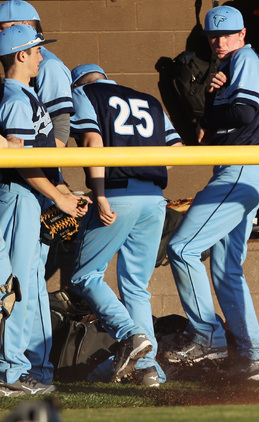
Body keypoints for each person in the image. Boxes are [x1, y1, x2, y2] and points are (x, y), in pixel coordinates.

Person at [165, 5, 259, 380]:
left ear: (243, 35)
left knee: (182, 248)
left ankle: (208, 336)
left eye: (228, 34)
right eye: (215, 36)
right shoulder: (224, 70)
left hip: (241, 170)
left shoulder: (245, 58)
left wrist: (209, 113)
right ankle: (254, 355)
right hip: (240, 170)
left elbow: (243, 113)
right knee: (227, 270)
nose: (221, 41)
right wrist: (212, 98)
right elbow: (207, 135)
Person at [69, 64, 183, 386]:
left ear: (77, 82)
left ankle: (131, 335)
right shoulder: (148, 99)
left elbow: (93, 143)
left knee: (85, 275)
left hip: (117, 194)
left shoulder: (84, 93)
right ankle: (148, 370)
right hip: (154, 198)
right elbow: (177, 151)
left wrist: (100, 193)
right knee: (136, 287)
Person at [0, 24, 88, 397]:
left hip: (29, 195)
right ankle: (12, 372)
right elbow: (20, 159)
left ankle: (24, 368)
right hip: (20, 194)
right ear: (21, 55)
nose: (41, 56)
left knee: (24, 283)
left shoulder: (22, 93)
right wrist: (59, 197)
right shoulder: (16, 96)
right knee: (15, 286)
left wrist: (61, 189)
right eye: (36, 50)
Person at [0, 0, 74, 146]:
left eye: (2, 28)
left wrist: (46, 168)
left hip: (40, 163)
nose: (0, 33)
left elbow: (60, 129)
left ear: (24, 25)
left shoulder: (47, 65)